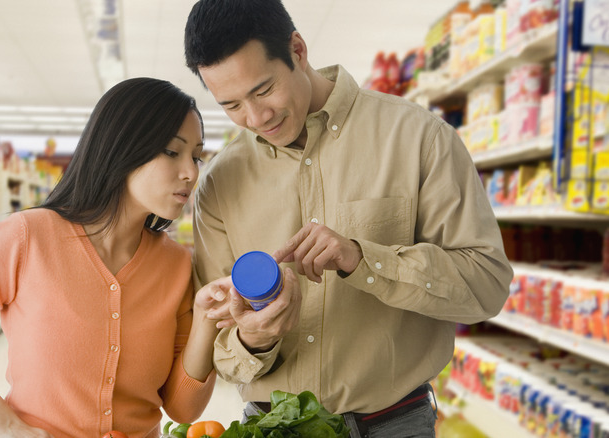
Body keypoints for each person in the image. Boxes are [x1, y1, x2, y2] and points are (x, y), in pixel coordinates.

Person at [183, 1, 514, 437]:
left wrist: (365, 259)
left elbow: (487, 286)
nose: (256, 117)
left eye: (264, 90)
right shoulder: (219, 185)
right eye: (231, 105)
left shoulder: (418, 138)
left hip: (395, 425)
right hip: (269, 427)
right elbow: (220, 348)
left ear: (297, 50)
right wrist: (255, 339)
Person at [0, 77, 232, 438]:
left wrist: (207, 322)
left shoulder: (176, 265)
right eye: (172, 151)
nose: (191, 172)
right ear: (123, 146)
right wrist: (6, 426)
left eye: (196, 155)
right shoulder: (26, 237)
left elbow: (181, 408)